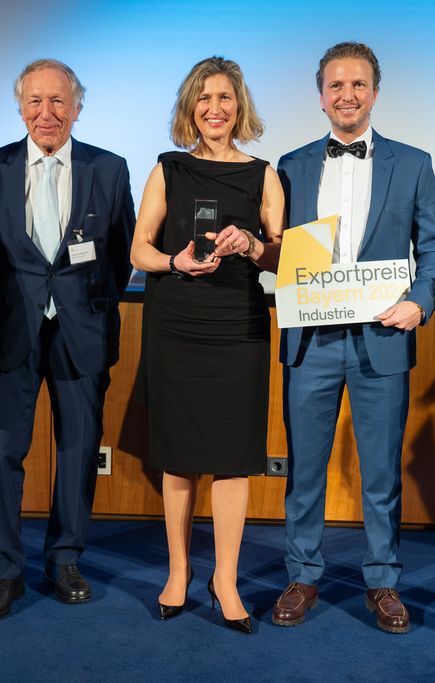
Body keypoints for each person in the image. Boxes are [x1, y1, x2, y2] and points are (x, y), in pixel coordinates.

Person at [272, 41, 435, 634]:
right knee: (305, 468)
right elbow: (278, 251)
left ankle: (383, 582)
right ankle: (302, 575)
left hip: (383, 338)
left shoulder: (415, 163)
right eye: (336, 86)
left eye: (359, 85)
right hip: (310, 343)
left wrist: (420, 304)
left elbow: (433, 252)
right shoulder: (289, 166)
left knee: (380, 473)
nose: (347, 95)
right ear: (320, 95)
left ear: (375, 92)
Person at [0, 59, 135, 620]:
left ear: (78, 107)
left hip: (83, 331)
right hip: (15, 329)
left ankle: (65, 558)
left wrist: (82, 303)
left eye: (59, 101)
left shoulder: (110, 169)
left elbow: (119, 254)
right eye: (35, 101)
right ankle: (3, 571)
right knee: (1, 451)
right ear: (20, 108)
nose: (47, 112)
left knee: (79, 448)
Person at [130, 56, 283, 635]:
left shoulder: (264, 174)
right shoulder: (168, 169)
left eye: (224, 98)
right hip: (176, 324)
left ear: (239, 106)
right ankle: (178, 572)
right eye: (203, 98)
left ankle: (225, 579)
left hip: (237, 327)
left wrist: (249, 246)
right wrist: (173, 261)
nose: (214, 109)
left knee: (233, 457)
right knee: (178, 456)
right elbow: (139, 249)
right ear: (189, 108)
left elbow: (280, 255)